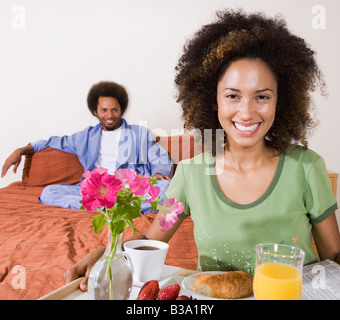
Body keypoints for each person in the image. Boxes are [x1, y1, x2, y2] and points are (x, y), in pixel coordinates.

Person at [65, 10, 340, 290]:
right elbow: (150, 239)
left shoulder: (306, 168)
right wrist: (104, 254)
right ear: (213, 101)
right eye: (233, 96)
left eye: (262, 97)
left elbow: (334, 260)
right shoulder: (191, 173)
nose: (246, 112)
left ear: (280, 102)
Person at [1, 81, 173, 213]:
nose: (110, 115)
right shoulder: (84, 137)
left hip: (128, 190)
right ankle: (109, 207)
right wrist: (21, 150)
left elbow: (158, 156)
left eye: (114, 110)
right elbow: (52, 141)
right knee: (49, 192)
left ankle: (106, 207)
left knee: (166, 190)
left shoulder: (139, 133)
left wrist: (160, 172)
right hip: (97, 191)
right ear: (95, 111)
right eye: (104, 110)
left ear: (121, 110)